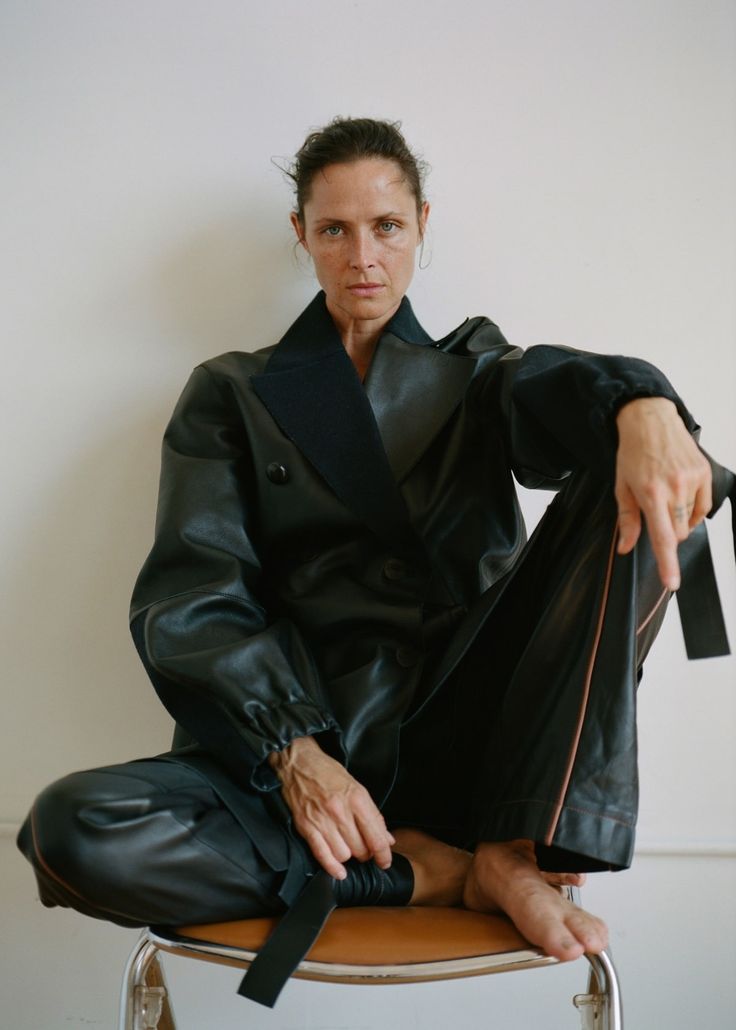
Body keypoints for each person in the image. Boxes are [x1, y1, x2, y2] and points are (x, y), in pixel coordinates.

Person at [18, 117, 732, 1007]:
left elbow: (551, 384)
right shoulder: (231, 392)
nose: (364, 255)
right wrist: (295, 753)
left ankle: (509, 850)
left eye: (387, 226)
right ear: (302, 236)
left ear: (422, 226)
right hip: (298, 759)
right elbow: (194, 593)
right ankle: (429, 873)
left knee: (639, 472)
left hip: (462, 740)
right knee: (71, 832)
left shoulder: (476, 372)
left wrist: (644, 402)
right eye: (335, 229)